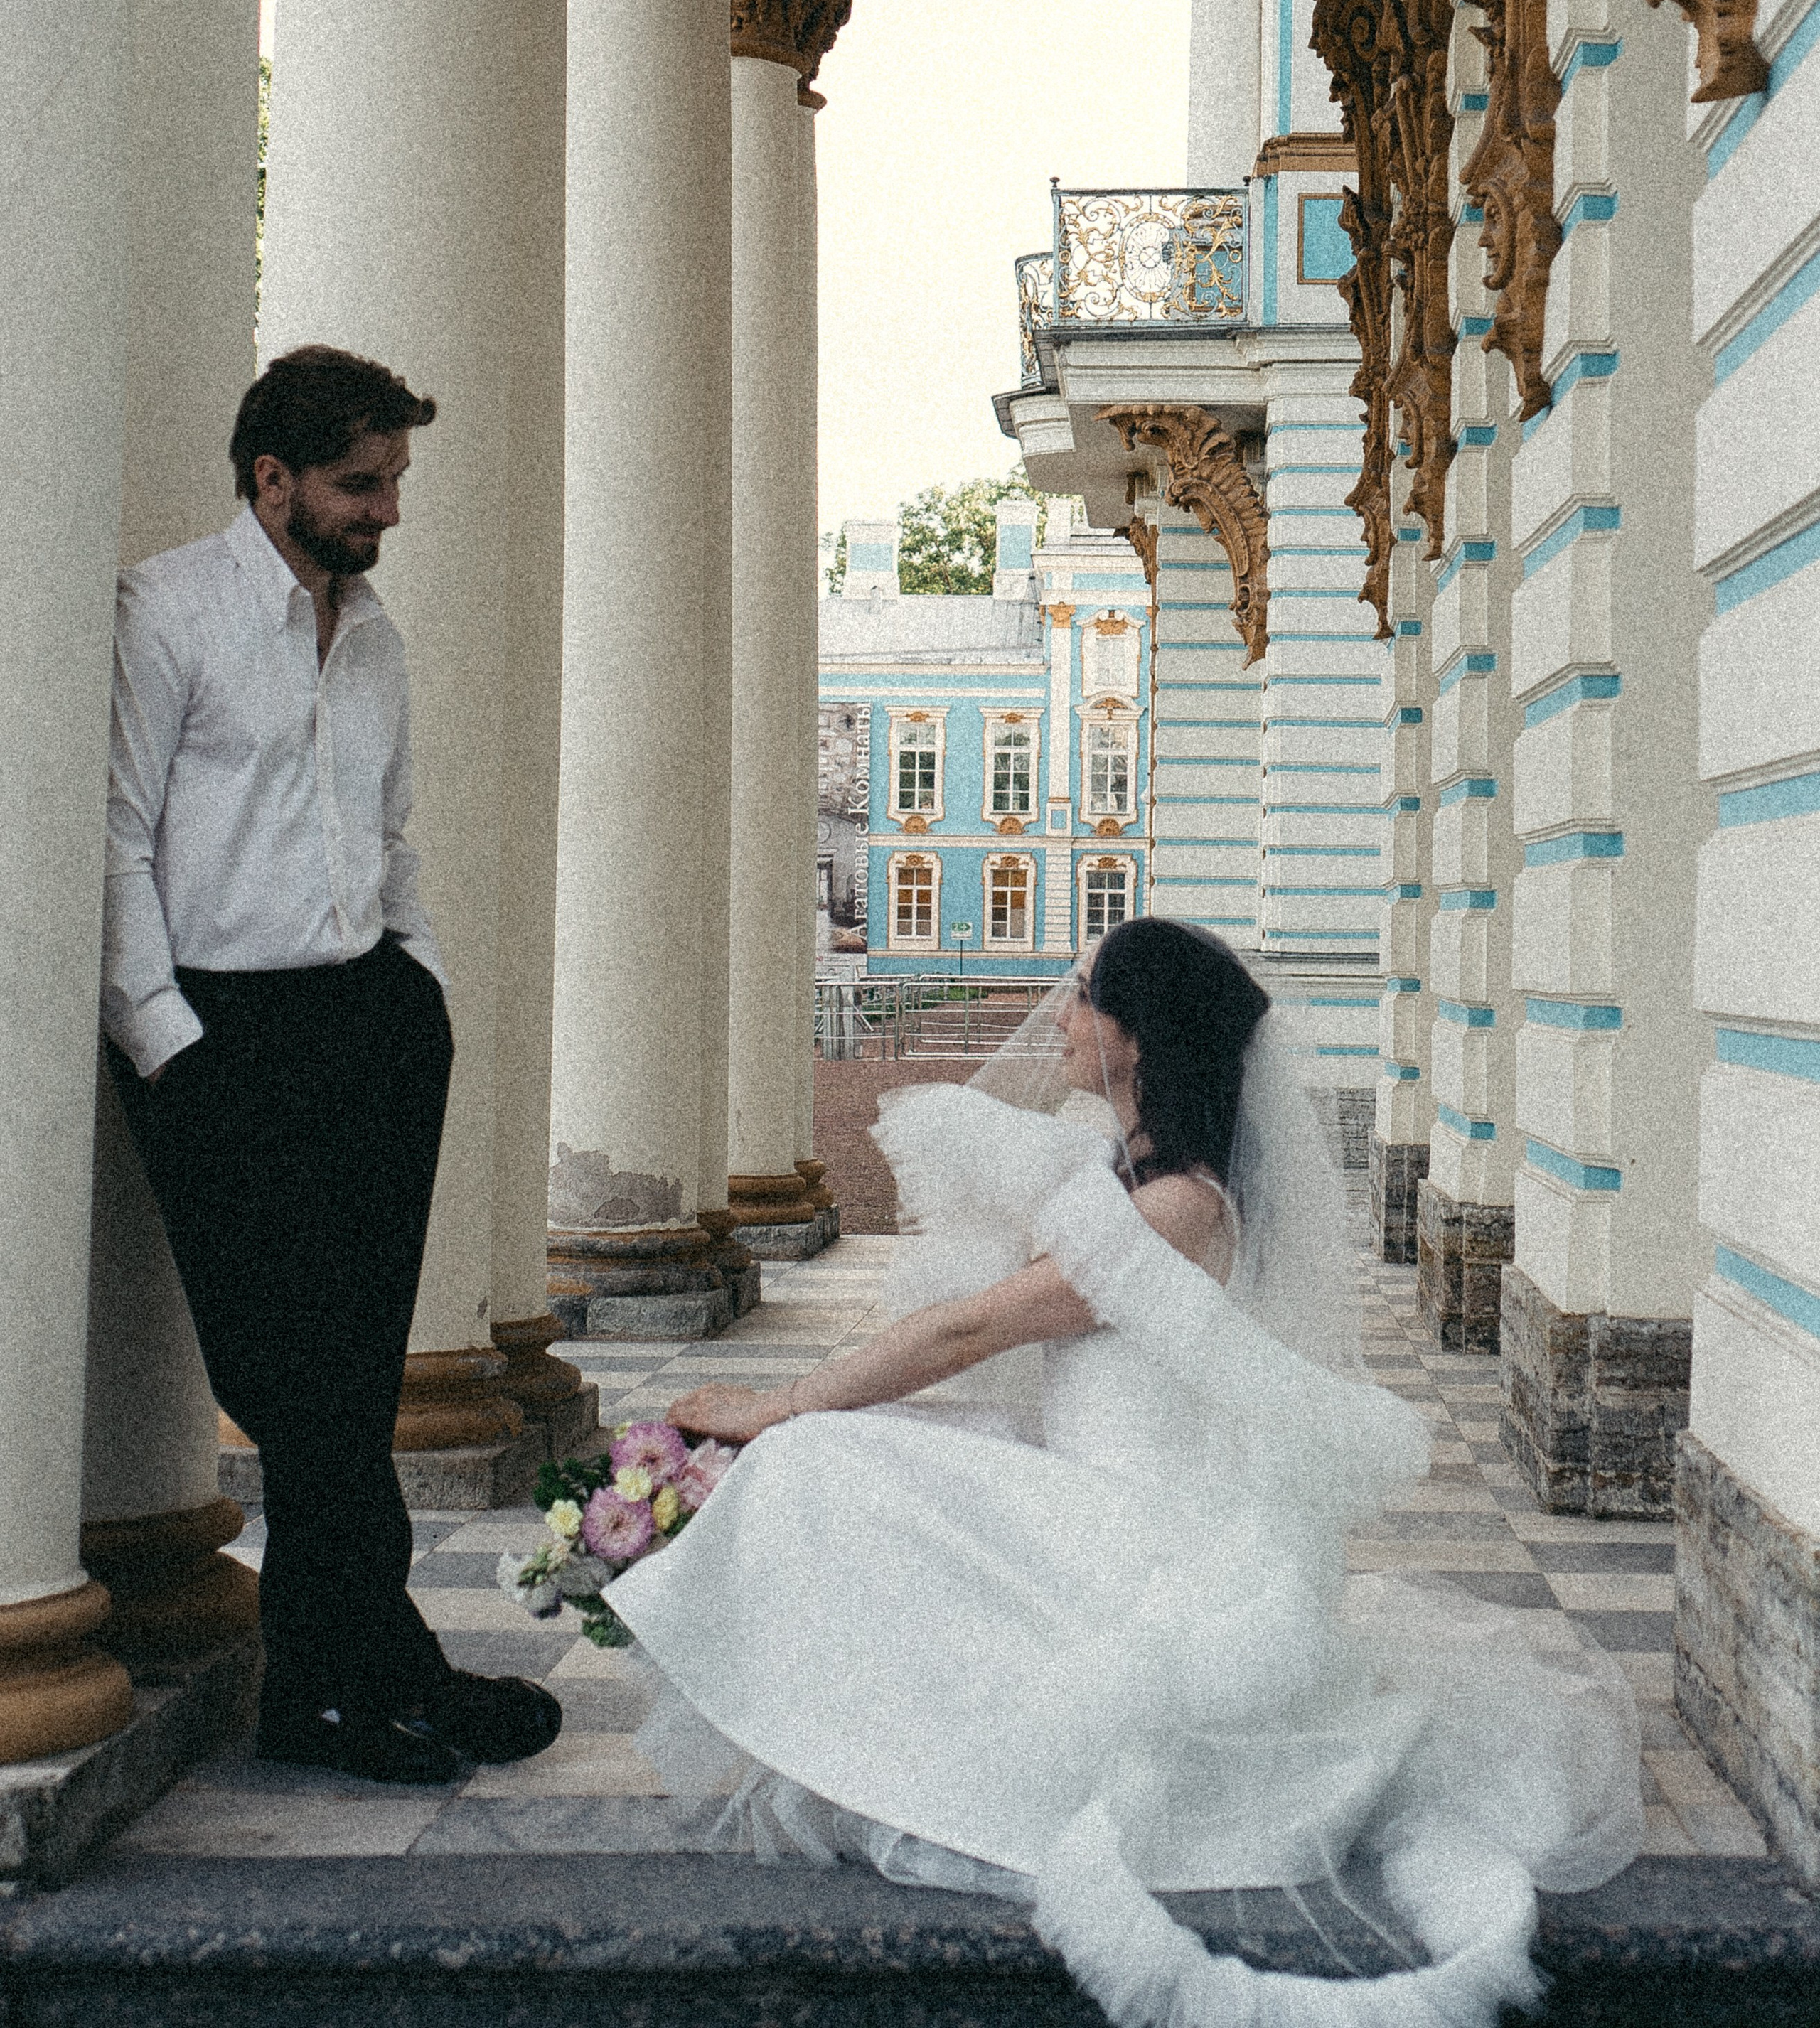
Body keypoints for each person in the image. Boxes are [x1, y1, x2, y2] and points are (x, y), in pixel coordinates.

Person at [606, 920, 1642, 2028]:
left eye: (1083, 995)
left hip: (1140, 1528)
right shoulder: (1124, 1172)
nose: (1057, 1014)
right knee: (867, 1460)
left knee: (820, 1458)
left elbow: (968, 1333)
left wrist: (780, 1404)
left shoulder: (1177, 1207)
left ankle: (874, 1741)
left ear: (1139, 1039)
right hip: (1087, 1488)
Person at [101, 344, 560, 1785]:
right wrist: (169, 1043)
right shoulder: (164, 614)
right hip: (220, 1043)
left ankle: (351, 1677)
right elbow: (110, 841)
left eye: (396, 481)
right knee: (297, 1390)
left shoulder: (375, 639)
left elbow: (391, 837)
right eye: (364, 484)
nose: (389, 512)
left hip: (364, 1027)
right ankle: (354, 1679)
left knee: (351, 1391)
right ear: (273, 478)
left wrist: (412, 986)